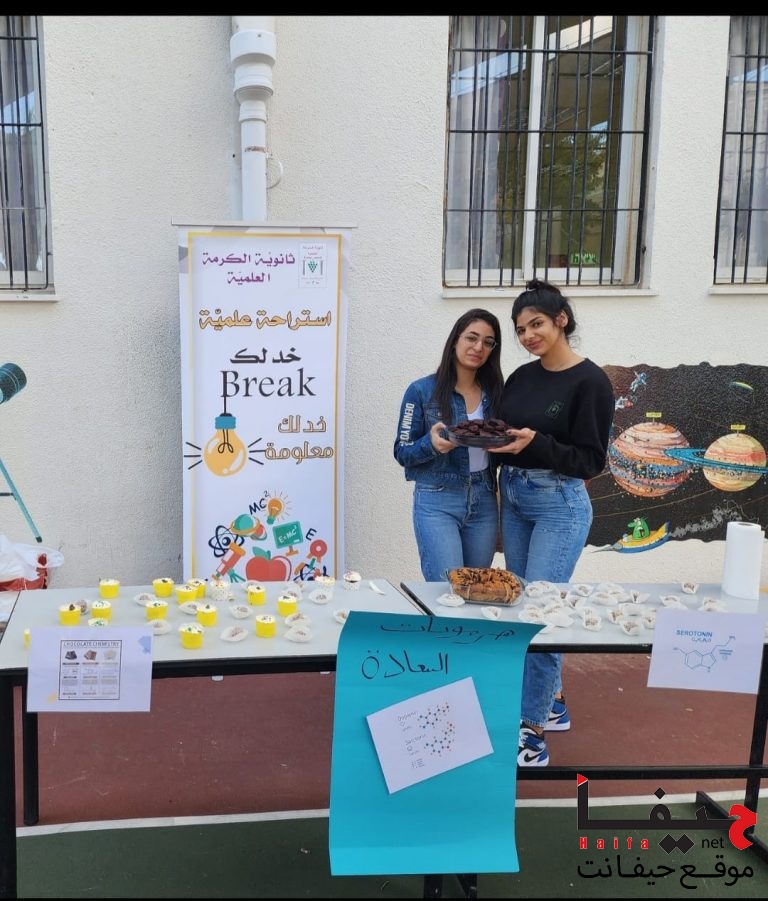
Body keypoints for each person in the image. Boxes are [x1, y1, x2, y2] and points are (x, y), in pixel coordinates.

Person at [489, 279, 614, 767]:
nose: (528, 336)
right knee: (522, 602)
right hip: (516, 496)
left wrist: (534, 443)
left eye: (536, 324)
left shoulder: (590, 382)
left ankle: (532, 729)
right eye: (520, 329)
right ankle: (552, 701)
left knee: (539, 613)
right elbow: (505, 434)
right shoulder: (522, 377)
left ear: (561, 319)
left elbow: (590, 461)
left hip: (559, 503)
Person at [394, 309, 504, 582]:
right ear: (455, 340)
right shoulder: (420, 391)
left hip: (484, 499)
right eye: (471, 338)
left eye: (488, 342)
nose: (478, 347)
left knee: (477, 587)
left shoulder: (495, 392)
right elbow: (402, 450)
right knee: (445, 589)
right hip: (438, 499)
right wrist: (431, 445)